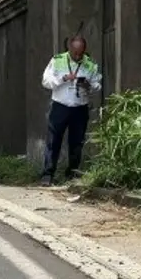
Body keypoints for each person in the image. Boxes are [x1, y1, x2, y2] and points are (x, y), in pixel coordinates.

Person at [40, 36, 101, 186]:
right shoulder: (57, 60)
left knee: (77, 142)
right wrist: (63, 78)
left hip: (80, 108)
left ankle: (72, 174)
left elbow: (98, 85)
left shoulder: (91, 64)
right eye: (75, 53)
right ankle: (48, 175)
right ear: (69, 49)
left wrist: (88, 85)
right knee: (53, 141)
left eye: (81, 53)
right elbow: (45, 82)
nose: (78, 56)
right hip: (60, 106)